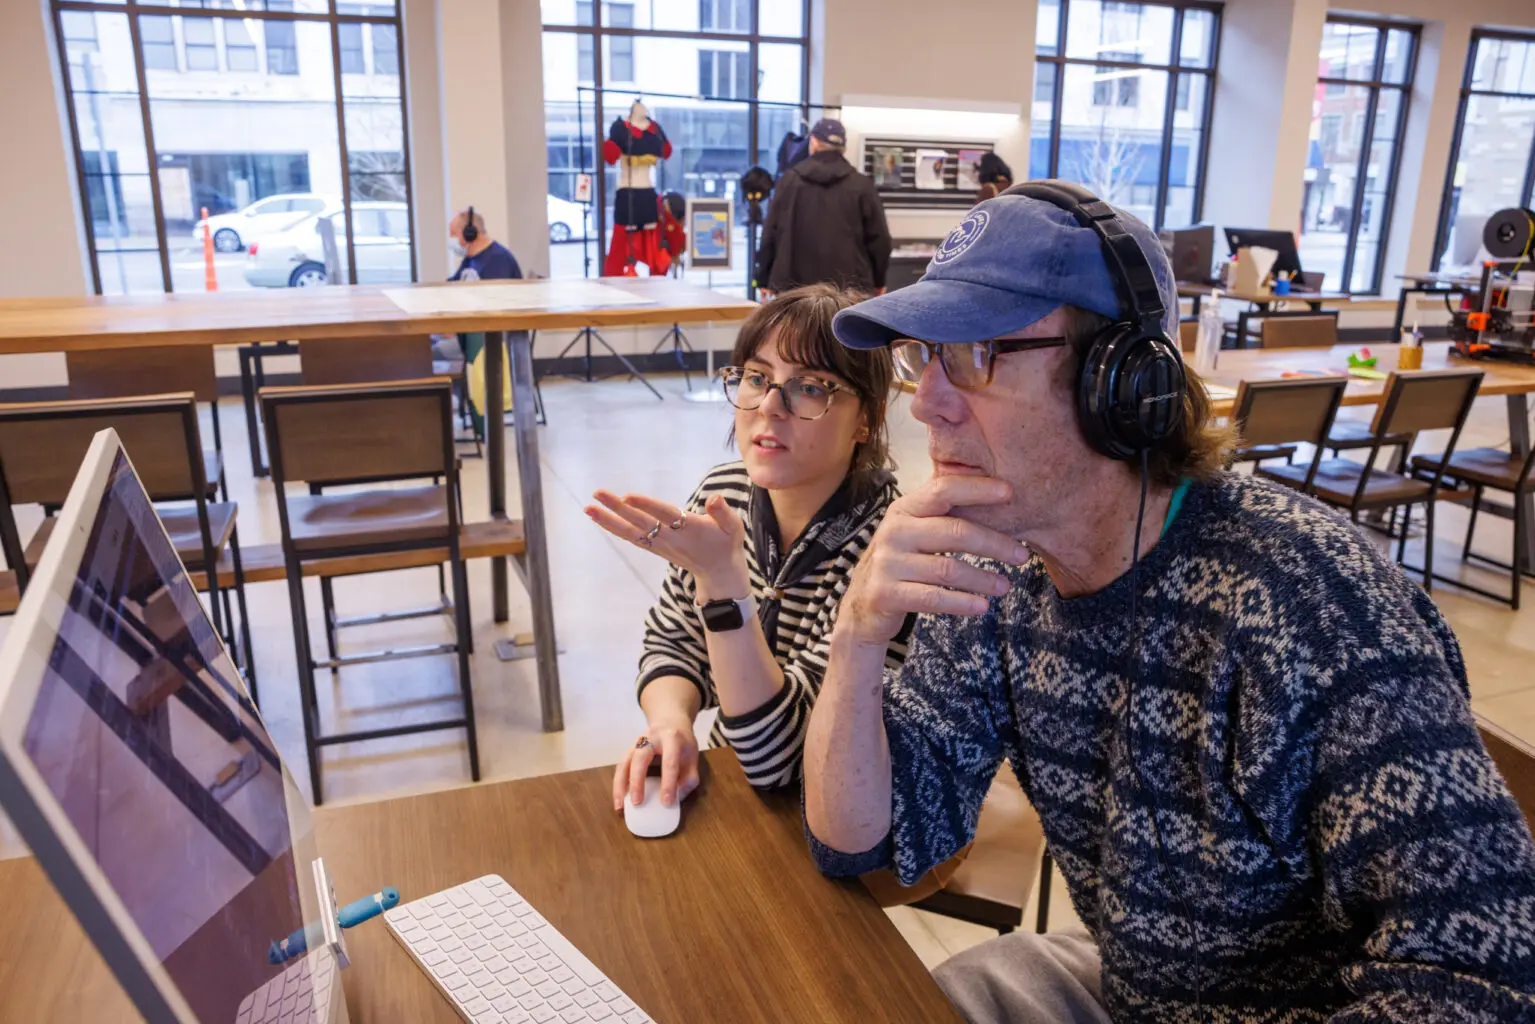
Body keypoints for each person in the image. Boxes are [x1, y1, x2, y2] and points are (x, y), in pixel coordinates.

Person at [801, 183, 1535, 1020]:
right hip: (1131, 994)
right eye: (919, 357)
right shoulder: (992, 571)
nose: (926, 402)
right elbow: (867, 843)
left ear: (1119, 383)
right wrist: (856, 640)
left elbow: (1480, 977)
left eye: (974, 355)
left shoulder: (1311, 604)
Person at [582, 284, 909, 809]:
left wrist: (723, 586)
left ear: (865, 421)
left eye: (811, 387)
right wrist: (671, 723)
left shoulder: (892, 551)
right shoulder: (728, 493)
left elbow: (780, 761)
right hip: (737, 794)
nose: (769, 408)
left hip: (835, 821)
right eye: (757, 378)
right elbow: (675, 643)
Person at [755, 119, 892, 300]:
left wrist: (763, 278)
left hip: (793, 289)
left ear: (813, 143)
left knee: (800, 329)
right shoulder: (862, 185)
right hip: (849, 290)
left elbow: (769, 235)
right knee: (843, 329)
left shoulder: (788, 182)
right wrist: (878, 280)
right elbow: (879, 239)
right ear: (843, 148)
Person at [448, 206, 521, 282]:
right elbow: (453, 285)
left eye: (453, 233)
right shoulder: (470, 259)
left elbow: (496, 293)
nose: (451, 238)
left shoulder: (497, 260)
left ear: (469, 233)